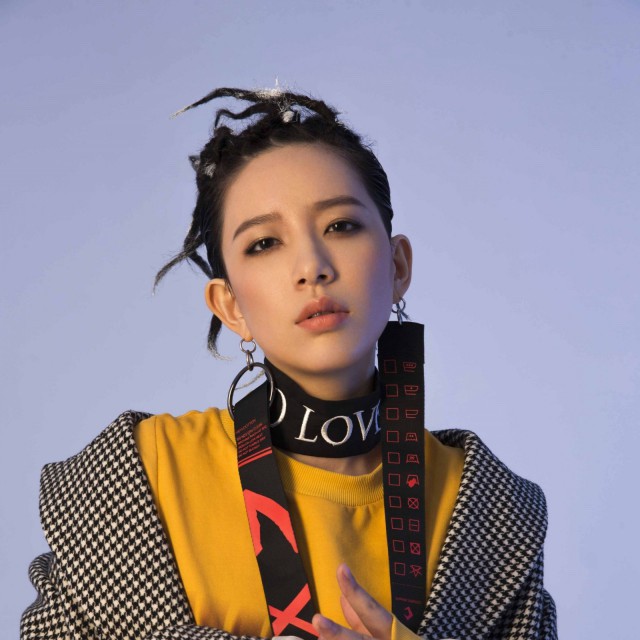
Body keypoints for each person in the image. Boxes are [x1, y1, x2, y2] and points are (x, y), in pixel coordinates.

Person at [20, 87, 557, 640]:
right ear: (230, 305)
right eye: (264, 243)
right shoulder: (141, 476)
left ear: (397, 267)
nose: (311, 266)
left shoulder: (487, 510)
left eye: (340, 226)